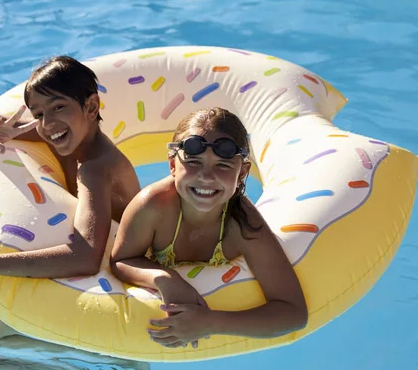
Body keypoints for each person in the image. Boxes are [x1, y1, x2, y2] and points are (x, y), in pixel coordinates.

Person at [0, 55, 140, 343]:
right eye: (38, 114)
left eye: (58, 107)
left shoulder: (97, 168)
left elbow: (86, 257)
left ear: (91, 106)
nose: (47, 124)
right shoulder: (64, 132)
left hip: (119, 274)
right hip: (101, 258)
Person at [110, 107, 308, 349]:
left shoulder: (243, 225)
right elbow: (121, 259)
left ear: (243, 173)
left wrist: (211, 322)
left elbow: (293, 313)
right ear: (173, 165)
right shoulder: (153, 206)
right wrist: (164, 279)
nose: (206, 176)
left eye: (223, 166)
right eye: (193, 162)